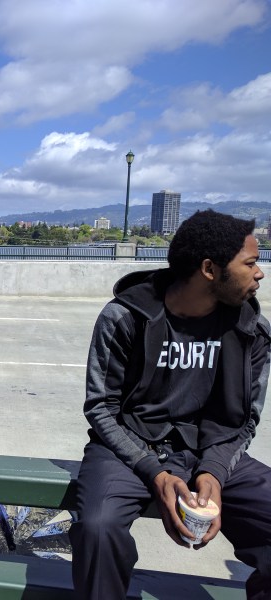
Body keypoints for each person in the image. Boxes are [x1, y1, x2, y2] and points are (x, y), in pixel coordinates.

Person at [70, 209, 271, 599]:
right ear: (209, 269)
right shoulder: (126, 317)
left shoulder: (253, 331)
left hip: (213, 449)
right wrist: (156, 474)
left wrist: (212, 472)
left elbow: (246, 421)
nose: (260, 272)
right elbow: (101, 408)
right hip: (129, 448)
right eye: (250, 263)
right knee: (97, 527)